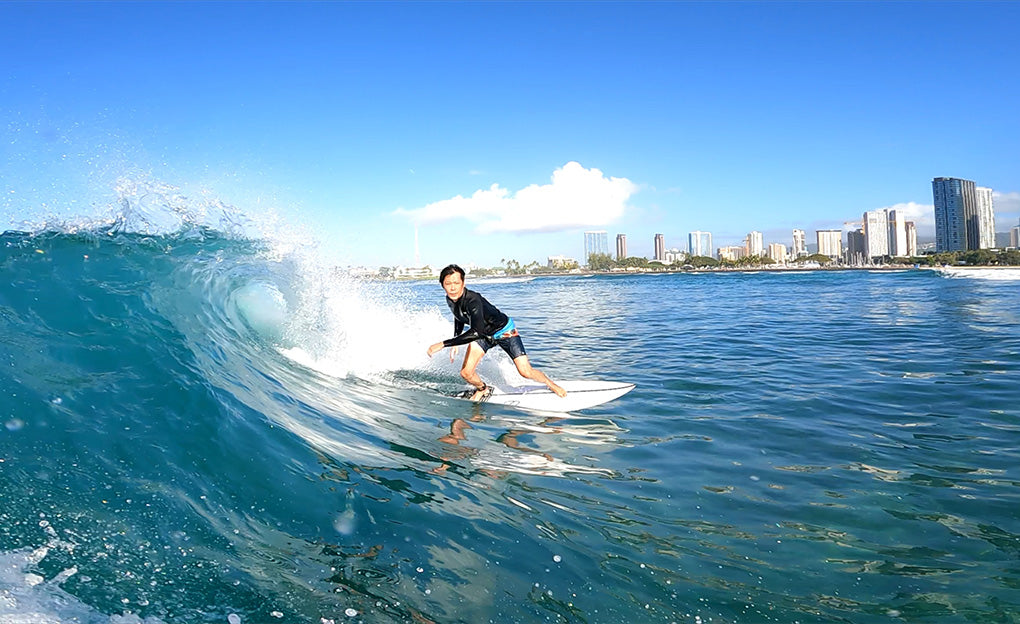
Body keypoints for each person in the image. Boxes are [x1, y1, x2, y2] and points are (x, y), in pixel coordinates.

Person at [427, 264, 567, 402]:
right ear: (442, 285)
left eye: (456, 283)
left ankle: (551, 384)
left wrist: (444, 344)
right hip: (483, 335)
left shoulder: (473, 300)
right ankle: (483, 388)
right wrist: (456, 341)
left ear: (463, 283)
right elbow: (459, 316)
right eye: (448, 283)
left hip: (504, 331)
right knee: (466, 373)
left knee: (525, 371)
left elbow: (476, 332)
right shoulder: (450, 298)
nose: (453, 287)